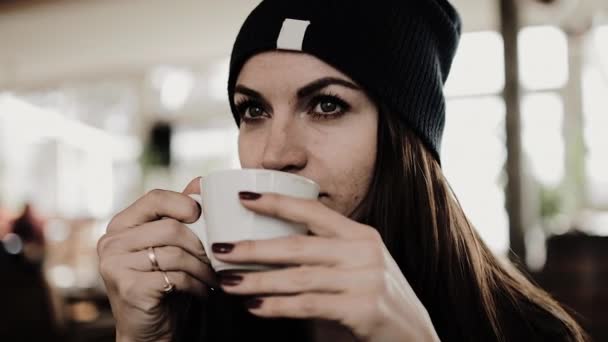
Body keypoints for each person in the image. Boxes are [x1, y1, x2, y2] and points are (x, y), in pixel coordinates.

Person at [97, 0, 587, 341]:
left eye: (327, 105)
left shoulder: (528, 330)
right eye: (254, 111)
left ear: (405, 139)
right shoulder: (202, 314)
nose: (274, 155)